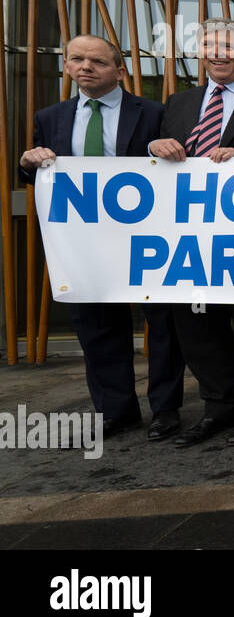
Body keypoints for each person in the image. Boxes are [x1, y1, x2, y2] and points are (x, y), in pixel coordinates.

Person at [19, 35, 185, 440]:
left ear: (120, 70)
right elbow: (39, 173)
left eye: (97, 61)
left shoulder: (153, 112)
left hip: (147, 237)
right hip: (84, 243)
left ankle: (165, 410)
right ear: (67, 67)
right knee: (96, 326)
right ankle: (116, 411)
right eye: (77, 59)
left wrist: (162, 148)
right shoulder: (50, 116)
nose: (86, 67)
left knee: (163, 326)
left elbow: (176, 162)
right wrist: (28, 162)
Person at [149, 19, 234, 448]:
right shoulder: (179, 102)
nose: (218, 53)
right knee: (197, 325)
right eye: (210, 46)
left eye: (228, 46)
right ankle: (217, 408)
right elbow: (143, 159)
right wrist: (152, 148)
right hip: (187, 236)